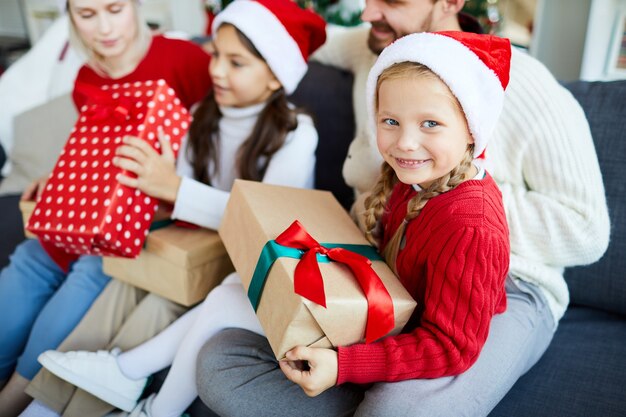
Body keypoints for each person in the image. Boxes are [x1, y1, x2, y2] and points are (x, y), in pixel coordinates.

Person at [195, 1, 611, 416]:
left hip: (503, 281)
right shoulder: (374, 47)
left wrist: (440, 202)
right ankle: (359, 374)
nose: (366, 12)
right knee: (223, 357)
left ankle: (368, 378)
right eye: (389, 122)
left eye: (390, 0)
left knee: (401, 408)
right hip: (393, 260)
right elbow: (293, 41)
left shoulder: (524, 88)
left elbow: (586, 231)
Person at [21, 1, 326, 417]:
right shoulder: (201, 116)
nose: (216, 71)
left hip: (242, 265)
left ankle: (96, 396)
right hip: (192, 249)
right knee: (123, 280)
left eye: (236, 63)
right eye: (215, 55)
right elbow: (169, 190)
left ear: (276, 75)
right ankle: (44, 402)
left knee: (159, 303)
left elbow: (270, 228)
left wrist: (176, 187)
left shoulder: (295, 135)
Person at [0, 0, 211, 415]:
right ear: (71, 17)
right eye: (87, 14)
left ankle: (15, 397)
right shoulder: (85, 78)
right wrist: (61, 178)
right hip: (90, 214)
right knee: (31, 257)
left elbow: (219, 151)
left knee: (92, 268)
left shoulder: (185, 59)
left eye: (114, 9)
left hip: (156, 221)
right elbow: (97, 155)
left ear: (134, 6)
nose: (104, 28)